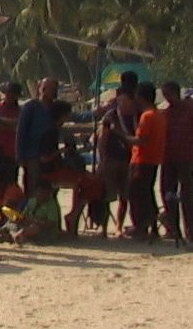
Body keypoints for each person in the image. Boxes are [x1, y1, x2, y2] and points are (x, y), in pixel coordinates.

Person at [37, 100, 105, 237]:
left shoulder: (54, 129)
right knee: (92, 182)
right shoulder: (50, 131)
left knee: (87, 182)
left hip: (57, 169)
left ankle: (74, 214)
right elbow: (44, 158)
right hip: (51, 172)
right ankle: (73, 215)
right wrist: (62, 151)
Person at [115, 82, 167, 240]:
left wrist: (121, 135)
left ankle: (140, 226)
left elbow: (141, 140)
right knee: (147, 193)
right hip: (153, 159)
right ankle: (151, 227)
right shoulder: (159, 115)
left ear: (140, 97)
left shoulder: (147, 116)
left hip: (142, 159)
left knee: (135, 194)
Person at [98, 87, 137, 237]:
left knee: (124, 196)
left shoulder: (136, 116)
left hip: (128, 160)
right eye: (119, 100)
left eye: (125, 100)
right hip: (111, 159)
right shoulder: (111, 115)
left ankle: (119, 226)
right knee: (106, 195)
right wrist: (102, 159)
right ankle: (103, 227)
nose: (122, 103)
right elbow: (103, 138)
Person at [159, 82, 193, 242]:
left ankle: (190, 231)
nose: (167, 97)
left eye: (168, 94)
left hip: (186, 158)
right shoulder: (166, 113)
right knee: (168, 193)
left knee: (187, 196)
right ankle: (173, 228)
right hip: (168, 158)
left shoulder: (189, 109)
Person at [17, 78, 59, 196]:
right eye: (44, 88)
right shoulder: (31, 107)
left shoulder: (55, 108)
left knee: (50, 188)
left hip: (50, 155)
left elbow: (72, 116)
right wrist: (20, 156)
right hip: (32, 156)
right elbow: (21, 132)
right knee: (33, 189)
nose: (46, 91)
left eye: (50, 89)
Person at [8, 180, 61, 245]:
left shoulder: (52, 205)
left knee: (35, 228)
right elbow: (23, 216)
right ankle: (14, 235)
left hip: (45, 232)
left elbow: (51, 224)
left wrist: (36, 221)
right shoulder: (31, 201)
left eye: (45, 193)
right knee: (12, 222)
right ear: (36, 192)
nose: (43, 195)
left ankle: (18, 235)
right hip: (27, 225)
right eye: (40, 192)